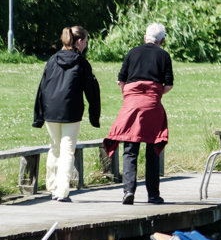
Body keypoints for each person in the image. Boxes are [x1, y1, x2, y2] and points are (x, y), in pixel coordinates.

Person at [105, 23, 173, 205]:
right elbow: (168, 85)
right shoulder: (164, 56)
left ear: (145, 38)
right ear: (162, 40)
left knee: (130, 150)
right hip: (152, 106)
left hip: (131, 106)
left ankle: (128, 191)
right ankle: (153, 195)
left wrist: (129, 96)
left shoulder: (132, 53)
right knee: (152, 152)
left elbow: (121, 80)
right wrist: (154, 94)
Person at [32, 26, 101, 202]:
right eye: (85, 41)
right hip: (71, 111)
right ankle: (62, 191)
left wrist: (39, 114)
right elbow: (92, 90)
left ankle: (52, 186)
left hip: (51, 110)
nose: (85, 44)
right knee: (67, 150)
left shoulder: (52, 60)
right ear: (79, 41)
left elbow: (42, 87)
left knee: (54, 147)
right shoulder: (81, 63)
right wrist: (94, 114)